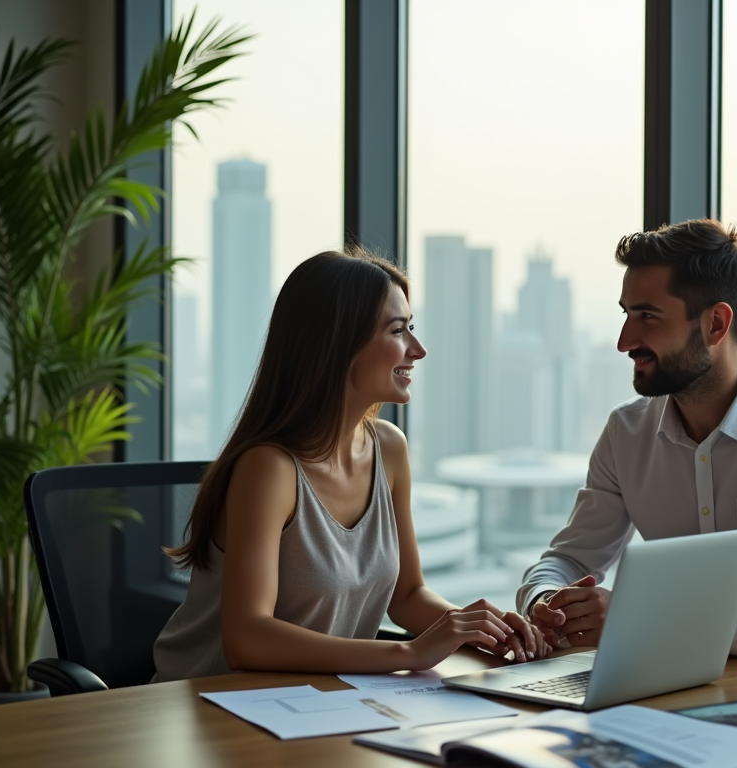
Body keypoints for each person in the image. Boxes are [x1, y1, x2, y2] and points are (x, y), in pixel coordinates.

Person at [153, 249, 548, 682]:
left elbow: (408, 595)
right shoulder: (270, 468)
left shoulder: (390, 449)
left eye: (411, 328)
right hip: (211, 705)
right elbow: (247, 639)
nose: (418, 349)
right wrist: (411, 652)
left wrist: (479, 630)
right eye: (398, 331)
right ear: (338, 343)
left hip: (317, 702)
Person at [518, 220, 737, 657]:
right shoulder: (626, 433)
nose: (625, 341)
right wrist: (545, 600)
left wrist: (645, 620)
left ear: (716, 324)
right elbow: (568, 559)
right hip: (655, 682)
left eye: (647, 316)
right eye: (626, 314)